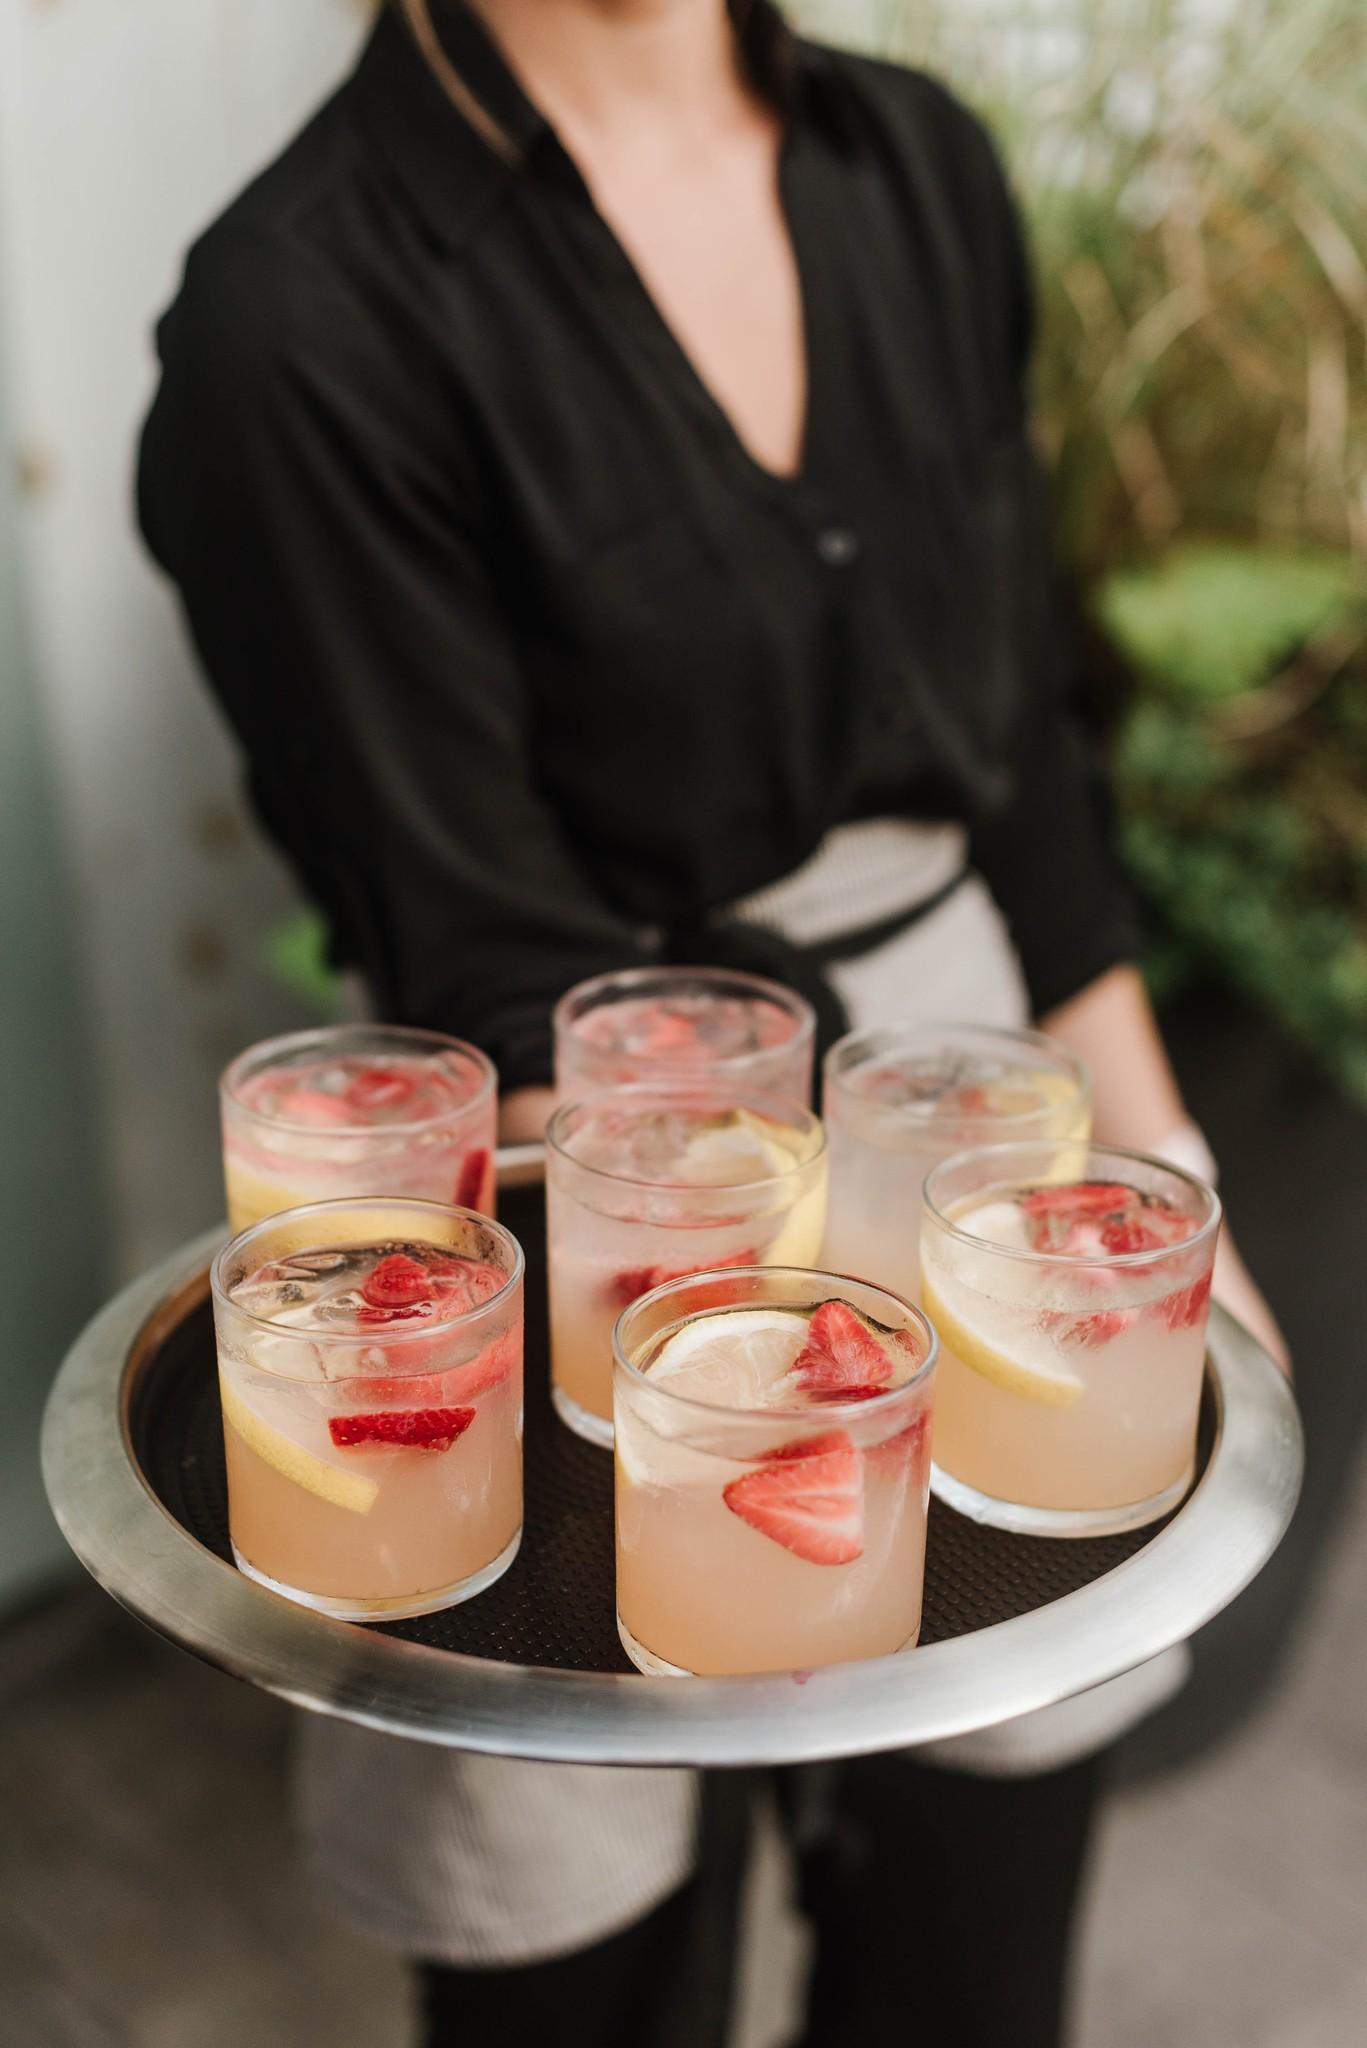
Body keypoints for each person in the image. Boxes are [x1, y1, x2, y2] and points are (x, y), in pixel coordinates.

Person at [137, 4, 1289, 2042]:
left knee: (976, 1934)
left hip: (966, 1096)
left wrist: (1161, 1169)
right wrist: (760, 1369)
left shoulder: (918, 165)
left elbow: (1021, 762)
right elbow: (486, 957)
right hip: (576, 1181)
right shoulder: (294, 315)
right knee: (580, 1941)